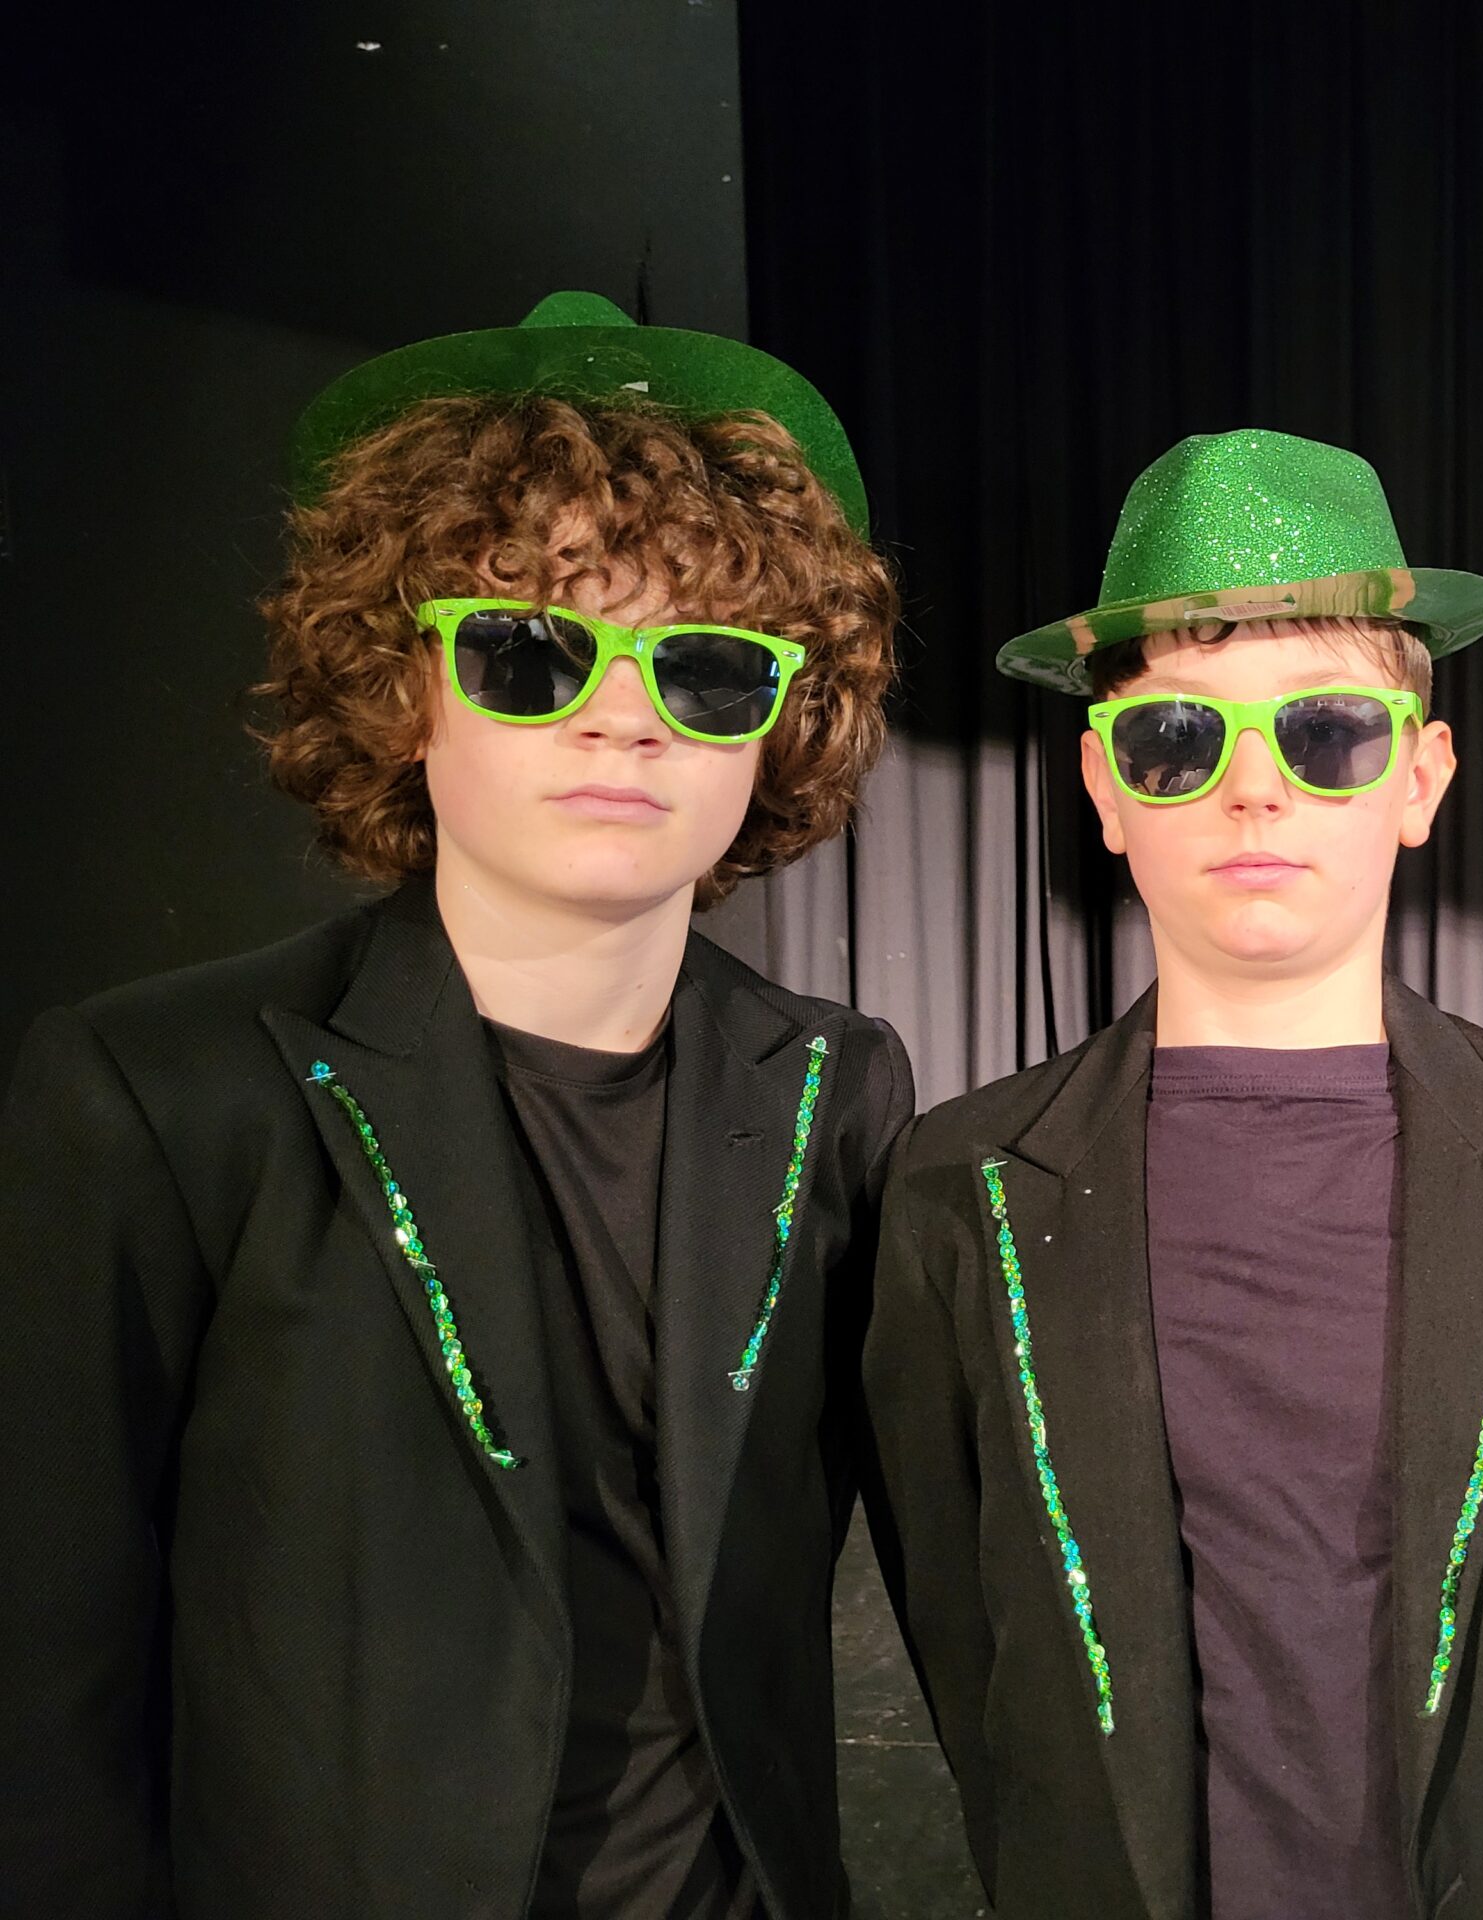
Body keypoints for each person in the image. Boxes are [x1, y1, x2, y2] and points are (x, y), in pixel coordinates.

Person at [0, 292, 914, 1918]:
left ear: (778, 726)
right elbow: (46, 1688)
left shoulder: (839, 1091)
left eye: (707, 668)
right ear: (403, 685)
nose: (623, 715)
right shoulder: (158, 1096)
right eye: (529, 650)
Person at [864, 428, 1483, 1918]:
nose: (1253, 791)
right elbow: (965, 1639)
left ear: (1420, 778)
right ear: (1105, 788)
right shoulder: (958, 1186)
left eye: (1326, 732)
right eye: (1178, 741)